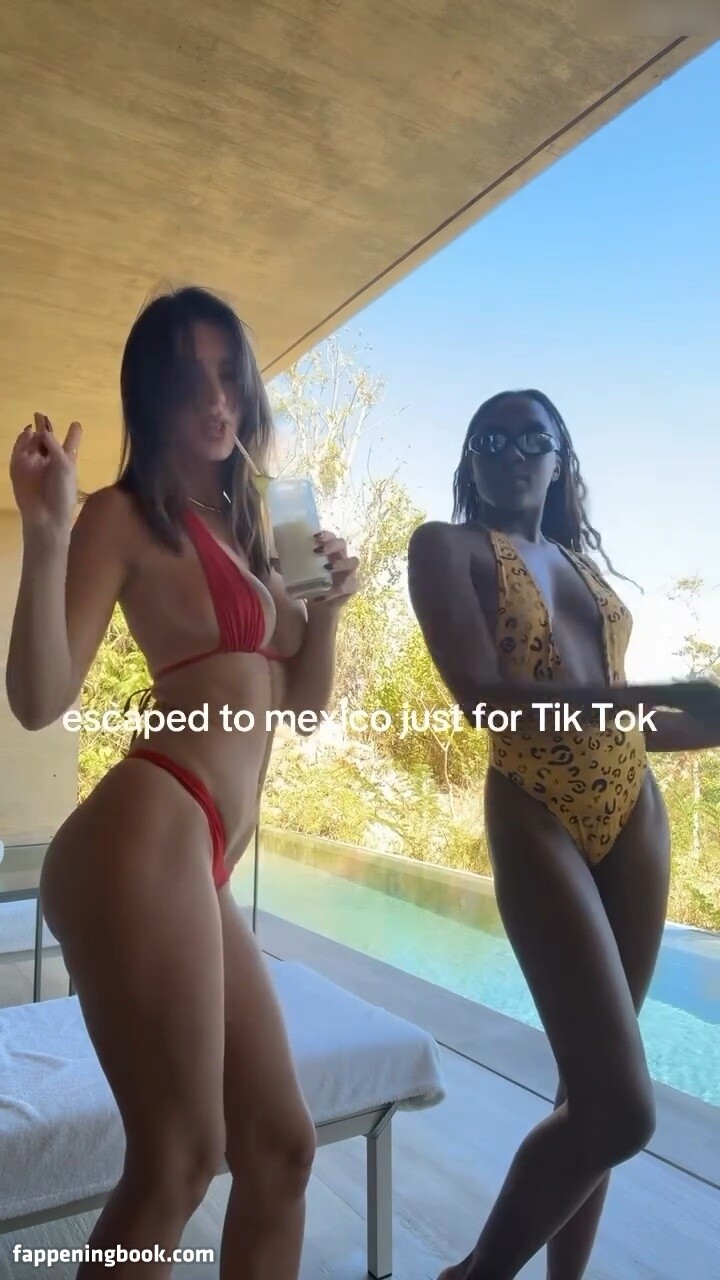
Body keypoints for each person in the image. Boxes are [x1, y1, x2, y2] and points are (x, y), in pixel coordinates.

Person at [6, 286, 359, 1279]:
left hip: (194, 858)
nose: (215, 399)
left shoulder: (272, 525)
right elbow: (38, 698)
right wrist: (46, 532)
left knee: (281, 1151)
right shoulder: (123, 515)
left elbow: (304, 709)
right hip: (146, 826)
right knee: (178, 1160)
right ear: (149, 394)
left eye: (229, 376)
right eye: (187, 378)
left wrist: (329, 609)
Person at [407, 389, 720, 1280]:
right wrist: (649, 697)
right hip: (535, 805)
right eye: (491, 438)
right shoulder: (446, 547)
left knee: (586, 1095)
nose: (511, 452)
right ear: (470, 459)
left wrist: (702, 719)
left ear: (559, 460)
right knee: (621, 1110)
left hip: (633, 809)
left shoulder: (581, 564)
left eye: (531, 438)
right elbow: (484, 700)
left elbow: (634, 724)